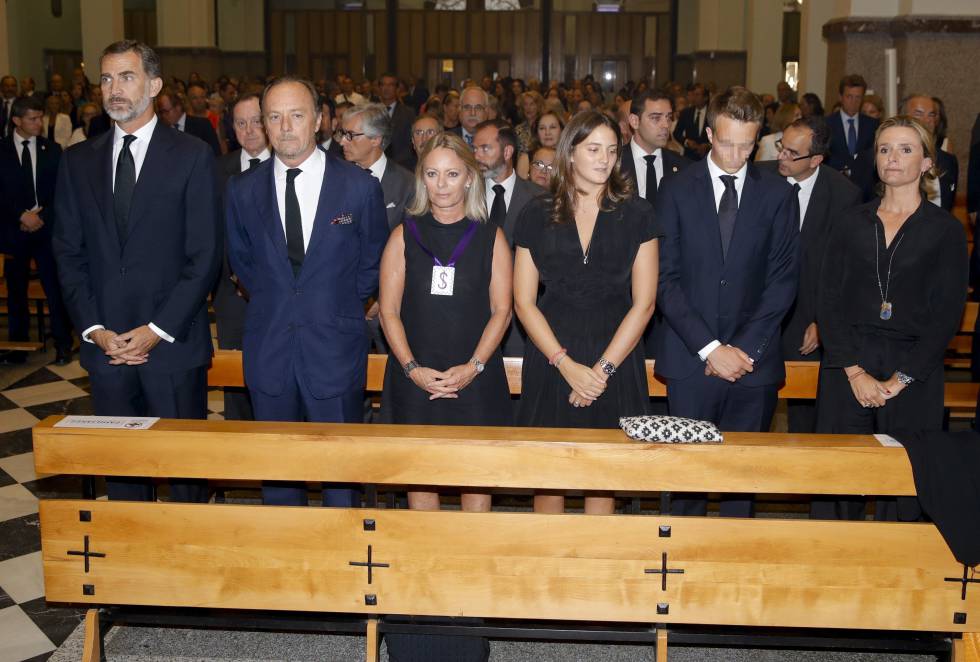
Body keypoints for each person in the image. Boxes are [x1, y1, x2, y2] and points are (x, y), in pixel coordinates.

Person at [52, 40, 221, 503]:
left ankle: (187, 563)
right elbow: (67, 252)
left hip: (171, 345)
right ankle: (132, 571)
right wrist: (94, 329)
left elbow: (204, 255)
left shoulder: (191, 155)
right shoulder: (78, 160)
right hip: (106, 347)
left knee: (184, 472)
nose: (114, 89)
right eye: (106, 79)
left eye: (126, 77)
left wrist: (157, 329)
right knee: (124, 475)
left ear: (155, 85)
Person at [225, 76, 388, 507]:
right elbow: (242, 262)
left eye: (296, 115)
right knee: (279, 474)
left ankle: (343, 561)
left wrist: (333, 307)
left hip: (334, 347)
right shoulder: (242, 191)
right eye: (274, 117)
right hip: (270, 346)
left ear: (318, 120)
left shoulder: (358, 187)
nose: (285, 127)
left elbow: (372, 262)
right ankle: (289, 565)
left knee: (340, 475)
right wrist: (282, 301)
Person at [815, 115, 968, 521]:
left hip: (914, 367)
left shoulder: (945, 231)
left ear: (927, 164)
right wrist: (854, 371)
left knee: (904, 483)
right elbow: (827, 299)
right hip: (847, 362)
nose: (893, 158)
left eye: (905, 149)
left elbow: (947, 315)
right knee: (837, 479)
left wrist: (900, 380)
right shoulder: (849, 222)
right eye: (884, 149)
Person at [656, 87, 798, 518]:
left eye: (747, 145)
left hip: (752, 366)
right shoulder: (676, 189)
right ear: (708, 134)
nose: (736, 155)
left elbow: (783, 281)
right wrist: (711, 348)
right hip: (689, 359)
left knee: (741, 484)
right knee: (687, 485)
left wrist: (741, 351)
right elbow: (665, 278)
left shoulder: (778, 194)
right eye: (726, 142)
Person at [513, 111, 660, 515]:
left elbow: (644, 303)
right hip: (551, 351)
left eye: (611, 151)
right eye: (593, 149)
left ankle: (600, 570)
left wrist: (601, 372)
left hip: (616, 349)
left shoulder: (639, 213)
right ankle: (549, 569)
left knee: (604, 475)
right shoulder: (536, 212)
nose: (604, 159)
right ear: (570, 153)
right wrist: (565, 364)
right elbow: (523, 301)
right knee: (549, 476)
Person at [378, 130, 513, 511]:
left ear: (470, 177)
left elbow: (502, 310)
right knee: (420, 480)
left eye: (452, 174)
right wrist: (412, 369)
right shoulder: (404, 235)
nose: (441, 184)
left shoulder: (491, 236)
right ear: (421, 178)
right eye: (432, 174)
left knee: (476, 482)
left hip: (475, 378)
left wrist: (473, 367)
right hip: (416, 378)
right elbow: (388, 311)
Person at [757, 116, 861, 433]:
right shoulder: (758, 178)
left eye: (792, 153)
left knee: (805, 413)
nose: (782, 157)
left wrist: (821, 320)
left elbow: (841, 268)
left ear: (816, 159)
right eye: (781, 148)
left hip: (808, 317)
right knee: (754, 407)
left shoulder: (844, 196)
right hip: (756, 313)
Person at [0, 96, 74, 365]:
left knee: (54, 289)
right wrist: (21, 215)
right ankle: (18, 347)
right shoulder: (2, 149)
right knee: (16, 291)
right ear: (17, 120)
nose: (38, 123)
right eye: (32, 118)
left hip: (46, 229)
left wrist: (40, 216)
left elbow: (62, 191)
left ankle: (63, 343)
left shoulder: (52, 149)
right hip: (13, 230)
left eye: (39, 117)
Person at [213, 93, 271, 422]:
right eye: (240, 123)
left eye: (256, 121)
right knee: (235, 376)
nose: (249, 130)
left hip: (278, 294)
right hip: (231, 294)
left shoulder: (287, 165)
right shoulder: (217, 169)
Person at [339, 103, 414, 232]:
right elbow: (334, 221)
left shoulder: (407, 184)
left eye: (350, 135)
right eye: (343, 134)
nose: (342, 142)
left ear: (375, 139)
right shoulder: (338, 177)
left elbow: (411, 238)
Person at [826, 74, 879, 172]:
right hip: (835, 179)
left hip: (863, 181)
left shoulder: (872, 125)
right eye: (849, 96)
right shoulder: (827, 124)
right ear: (840, 97)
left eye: (857, 97)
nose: (853, 102)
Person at [156, 90, 222, 156]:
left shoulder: (202, 124)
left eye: (166, 111)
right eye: (161, 112)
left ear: (178, 107)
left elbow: (215, 153)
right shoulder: (162, 129)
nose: (164, 115)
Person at [377, 72, 416, 169]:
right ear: (379, 88)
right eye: (383, 85)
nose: (386, 88)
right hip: (375, 162)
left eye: (390, 85)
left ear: (397, 89)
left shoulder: (408, 113)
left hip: (402, 164)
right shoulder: (371, 112)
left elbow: (410, 141)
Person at [516, 110, 563, 179]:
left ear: (561, 130)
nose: (547, 133)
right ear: (536, 133)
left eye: (552, 127)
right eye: (542, 128)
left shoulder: (570, 158)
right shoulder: (526, 159)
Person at [673, 82, 710, 160]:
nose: (694, 98)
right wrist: (686, 141)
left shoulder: (712, 113)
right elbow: (676, 133)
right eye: (693, 95)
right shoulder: (686, 113)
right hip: (689, 156)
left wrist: (708, 145)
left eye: (697, 95)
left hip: (707, 156)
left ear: (705, 98)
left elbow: (718, 134)